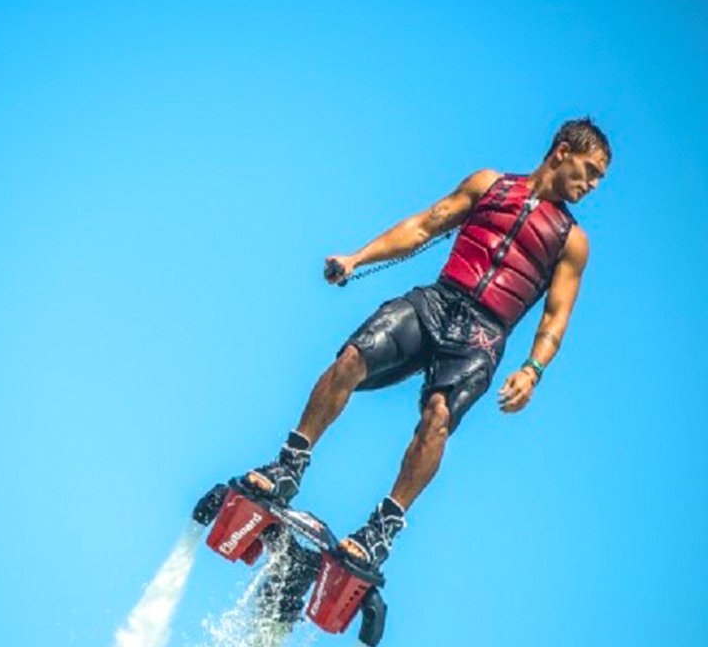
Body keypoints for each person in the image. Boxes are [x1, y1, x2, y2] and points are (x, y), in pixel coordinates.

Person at [241, 117, 611, 569]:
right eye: (589, 170)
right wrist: (357, 258)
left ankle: (382, 530)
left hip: (482, 335)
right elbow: (423, 226)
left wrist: (533, 370)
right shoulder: (490, 185)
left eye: (599, 178)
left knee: (437, 417)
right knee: (353, 357)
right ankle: (289, 465)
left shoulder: (572, 241)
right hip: (439, 300)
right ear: (562, 151)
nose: (592, 185)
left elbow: (556, 316)